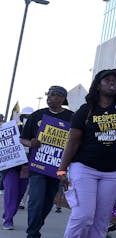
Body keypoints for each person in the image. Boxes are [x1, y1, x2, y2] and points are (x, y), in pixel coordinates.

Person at [58, 69, 116, 238]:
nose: (113, 82)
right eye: (108, 80)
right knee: (83, 216)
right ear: (98, 85)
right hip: (85, 169)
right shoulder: (85, 110)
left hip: (115, 172)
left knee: (101, 221)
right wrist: (62, 169)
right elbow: (72, 142)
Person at [20, 86, 74, 238]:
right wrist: (31, 143)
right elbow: (22, 138)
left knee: (47, 202)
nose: (49, 97)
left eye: (53, 95)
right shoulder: (37, 115)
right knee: (35, 201)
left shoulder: (72, 117)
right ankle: (32, 233)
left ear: (62, 98)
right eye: (48, 95)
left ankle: (36, 226)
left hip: (58, 167)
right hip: (37, 166)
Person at [2, 107, 32, 230]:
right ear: (21, 117)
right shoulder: (11, 129)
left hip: (25, 167)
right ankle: (8, 220)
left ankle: (8, 215)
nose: (27, 119)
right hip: (10, 167)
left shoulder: (35, 132)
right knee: (11, 193)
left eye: (29, 117)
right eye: (25, 116)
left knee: (20, 194)